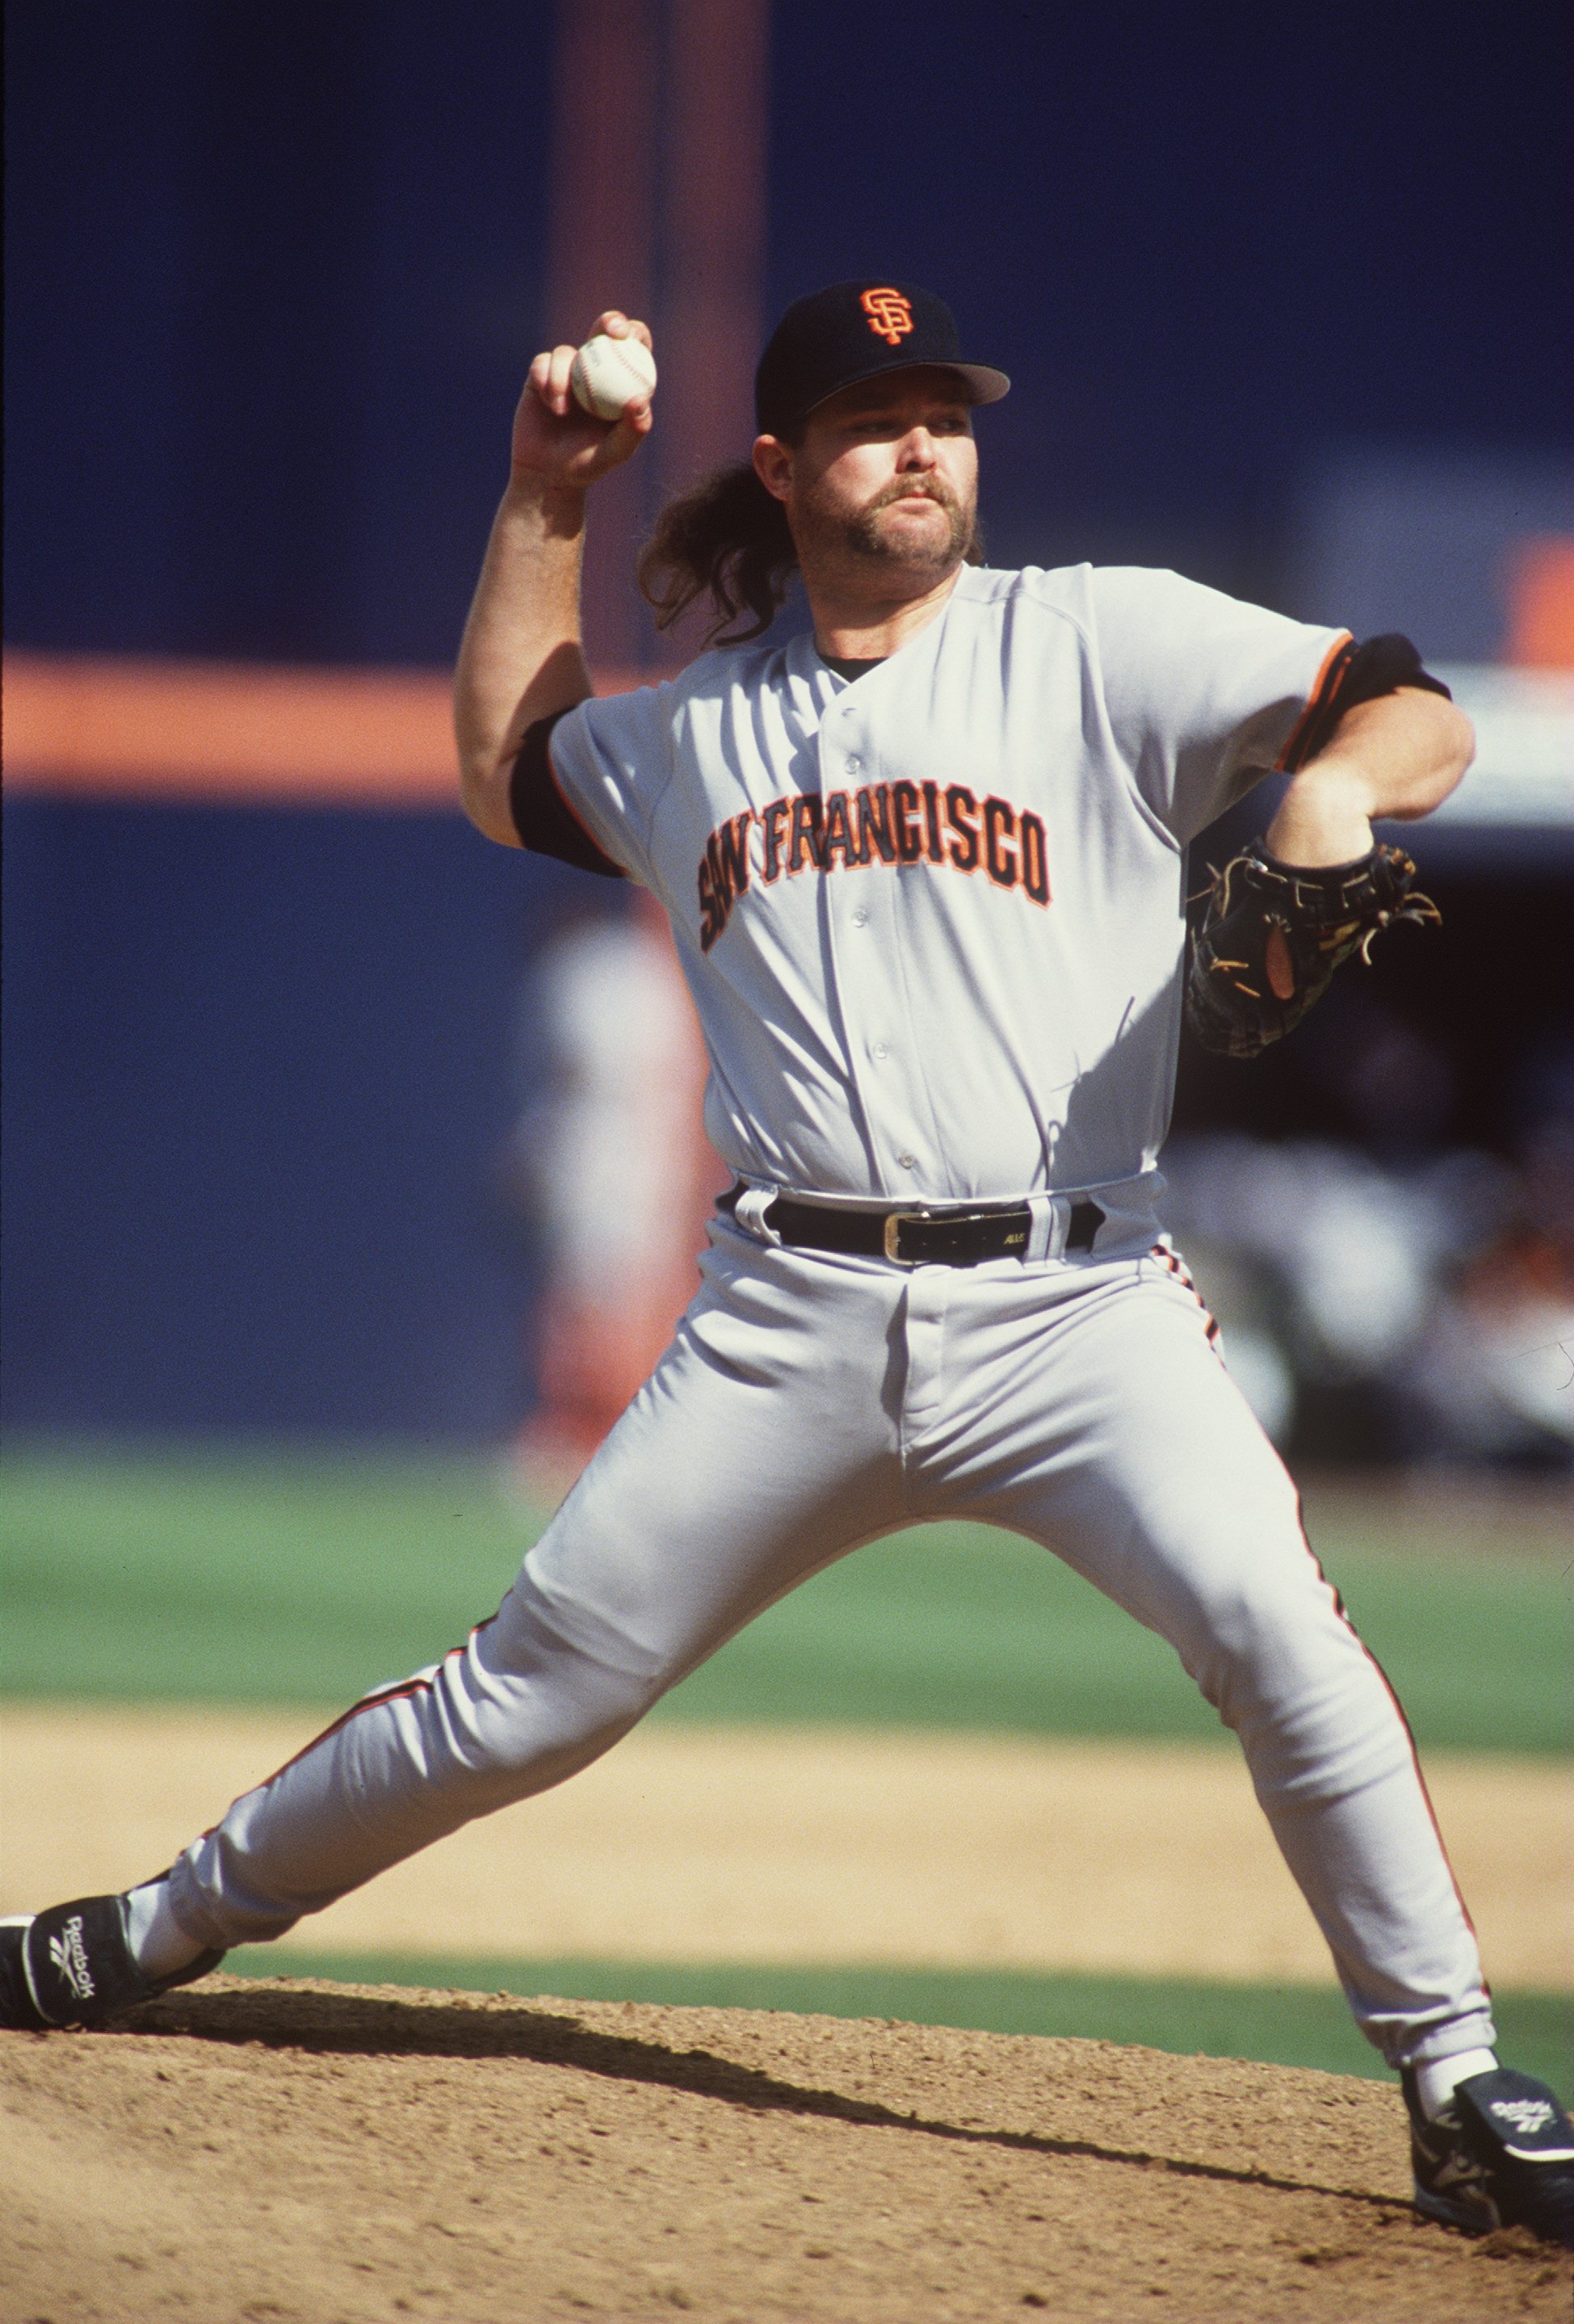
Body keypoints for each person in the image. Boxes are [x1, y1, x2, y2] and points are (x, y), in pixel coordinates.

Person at [5, 280, 1570, 2248]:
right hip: (789, 1317)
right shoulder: (701, 729)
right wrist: (545, 492)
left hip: (1080, 1303)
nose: (924, 444)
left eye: (948, 414)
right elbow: (506, 768)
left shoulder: (1096, 636)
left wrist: (1331, 787)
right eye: (875, 416)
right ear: (780, 465)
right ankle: (148, 1925)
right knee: (524, 1702)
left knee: (1281, 1632)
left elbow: (1413, 701)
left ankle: (1454, 2076)